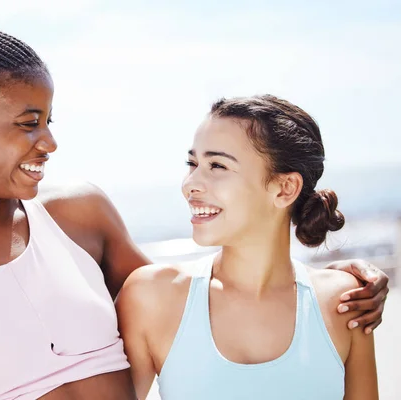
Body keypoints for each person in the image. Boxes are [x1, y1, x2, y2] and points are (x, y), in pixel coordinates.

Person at [0, 29, 387, 400]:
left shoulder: (80, 215)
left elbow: (202, 305)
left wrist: (336, 284)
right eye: (29, 122)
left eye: (50, 120)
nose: (49, 142)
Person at [116, 95, 380, 400]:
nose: (190, 184)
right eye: (193, 163)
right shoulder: (152, 296)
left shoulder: (347, 302)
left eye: (217, 165)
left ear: (285, 188)